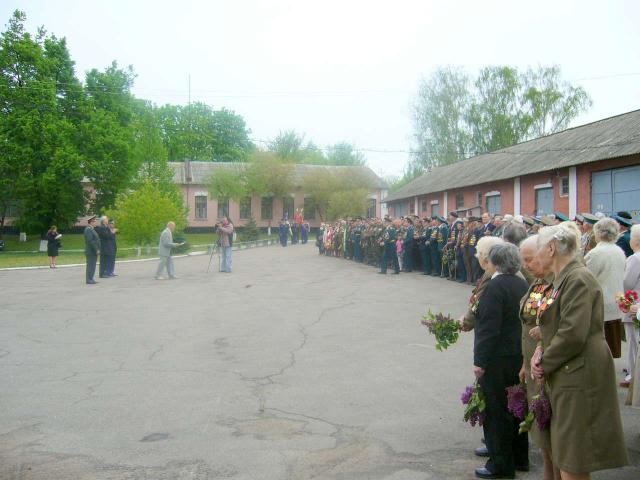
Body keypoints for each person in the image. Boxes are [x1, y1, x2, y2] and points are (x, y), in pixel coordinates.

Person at [531, 224, 628, 479]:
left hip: (578, 371)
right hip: (567, 369)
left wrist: (544, 364)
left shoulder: (578, 279)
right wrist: (540, 349)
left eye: (539, 247)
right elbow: (552, 325)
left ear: (551, 248)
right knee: (566, 450)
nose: (536, 254)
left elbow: (572, 333)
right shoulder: (561, 279)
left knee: (574, 455)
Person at [473, 243, 529, 479]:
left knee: (497, 412)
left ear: (494, 262)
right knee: (517, 407)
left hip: (497, 357)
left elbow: (488, 328)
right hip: (517, 354)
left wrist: (480, 360)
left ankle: (500, 464)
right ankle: (520, 458)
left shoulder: (495, 286)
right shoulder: (521, 283)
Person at [518, 235, 560, 480]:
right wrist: (523, 363)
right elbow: (526, 322)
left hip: (548, 366)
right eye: (523, 259)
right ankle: (549, 473)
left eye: (530, 259)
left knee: (553, 429)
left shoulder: (557, 284)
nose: (526, 264)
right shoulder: (537, 283)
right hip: (532, 364)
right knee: (541, 430)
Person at [585, 217, 626, 358]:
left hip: (600, 306)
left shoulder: (595, 253)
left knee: (599, 350)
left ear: (599, 233)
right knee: (611, 348)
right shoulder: (619, 251)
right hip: (616, 303)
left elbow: (587, 280)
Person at [621, 224, 640, 387]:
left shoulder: (635, 258)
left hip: (635, 304)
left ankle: (633, 375)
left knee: (633, 342)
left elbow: (627, 282)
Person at [84, 217, 100, 284]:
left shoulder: (91, 229)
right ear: (91, 222)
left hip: (92, 250)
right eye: (95, 221)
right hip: (91, 251)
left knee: (92, 265)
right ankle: (89, 279)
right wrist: (96, 249)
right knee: (90, 265)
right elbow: (90, 241)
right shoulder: (88, 229)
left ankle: (91, 278)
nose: (96, 222)